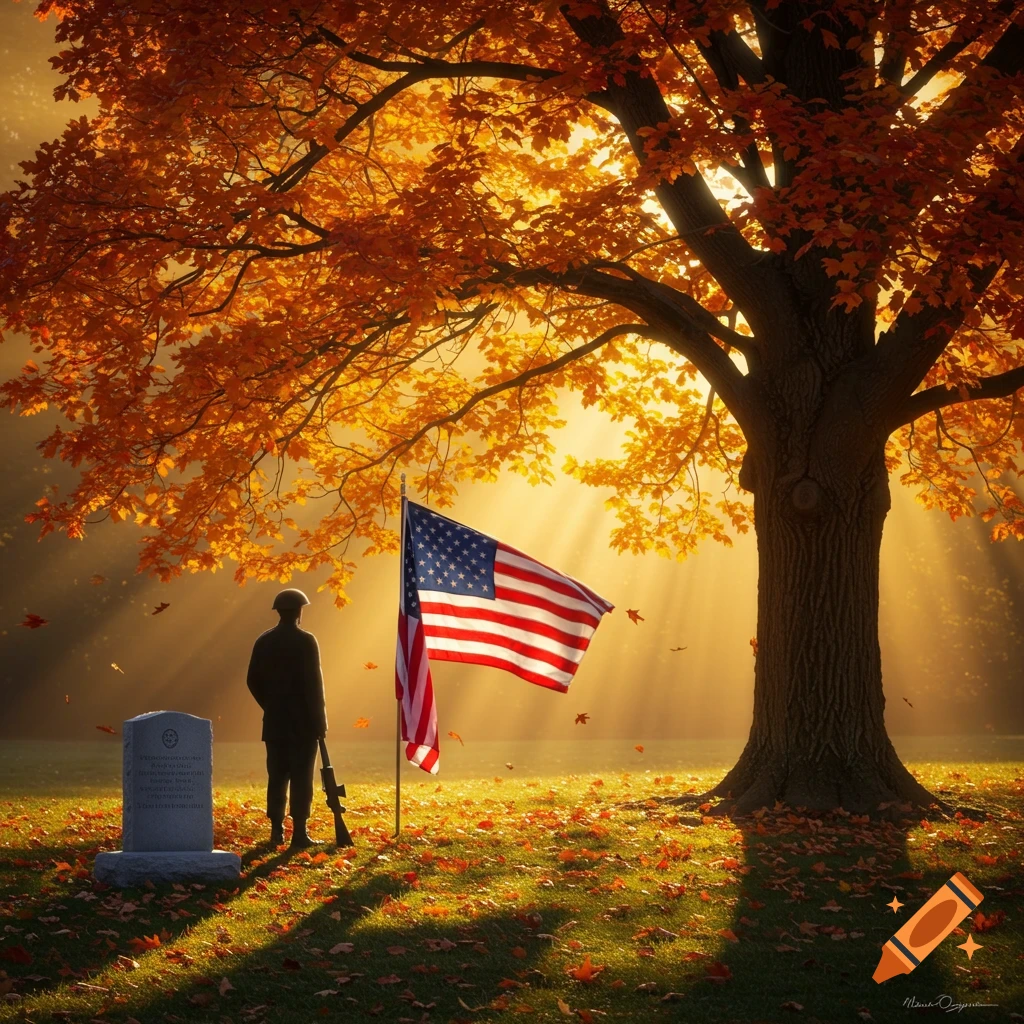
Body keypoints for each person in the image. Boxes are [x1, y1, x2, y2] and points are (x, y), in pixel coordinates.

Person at [246, 588, 328, 849]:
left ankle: (276, 831)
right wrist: (320, 721)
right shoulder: (306, 641)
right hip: (304, 724)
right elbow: (314, 685)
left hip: (275, 722)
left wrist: (269, 705)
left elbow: (252, 680)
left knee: (277, 775)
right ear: (299, 612)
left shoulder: (264, 640)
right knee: (302, 777)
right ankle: (299, 833)